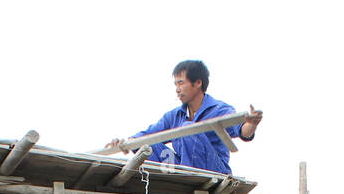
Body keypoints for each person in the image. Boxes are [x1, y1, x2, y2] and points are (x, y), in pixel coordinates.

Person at [109, 60, 261, 175]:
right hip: (180, 167)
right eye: (175, 84)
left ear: (197, 83)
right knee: (148, 144)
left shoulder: (219, 109)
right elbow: (148, 134)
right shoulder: (175, 116)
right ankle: (169, 178)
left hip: (213, 169)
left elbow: (242, 130)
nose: (177, 89)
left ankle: (186, 177)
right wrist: (125, 143)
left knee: (188, 129)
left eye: (181, 83)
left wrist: (251, 124)